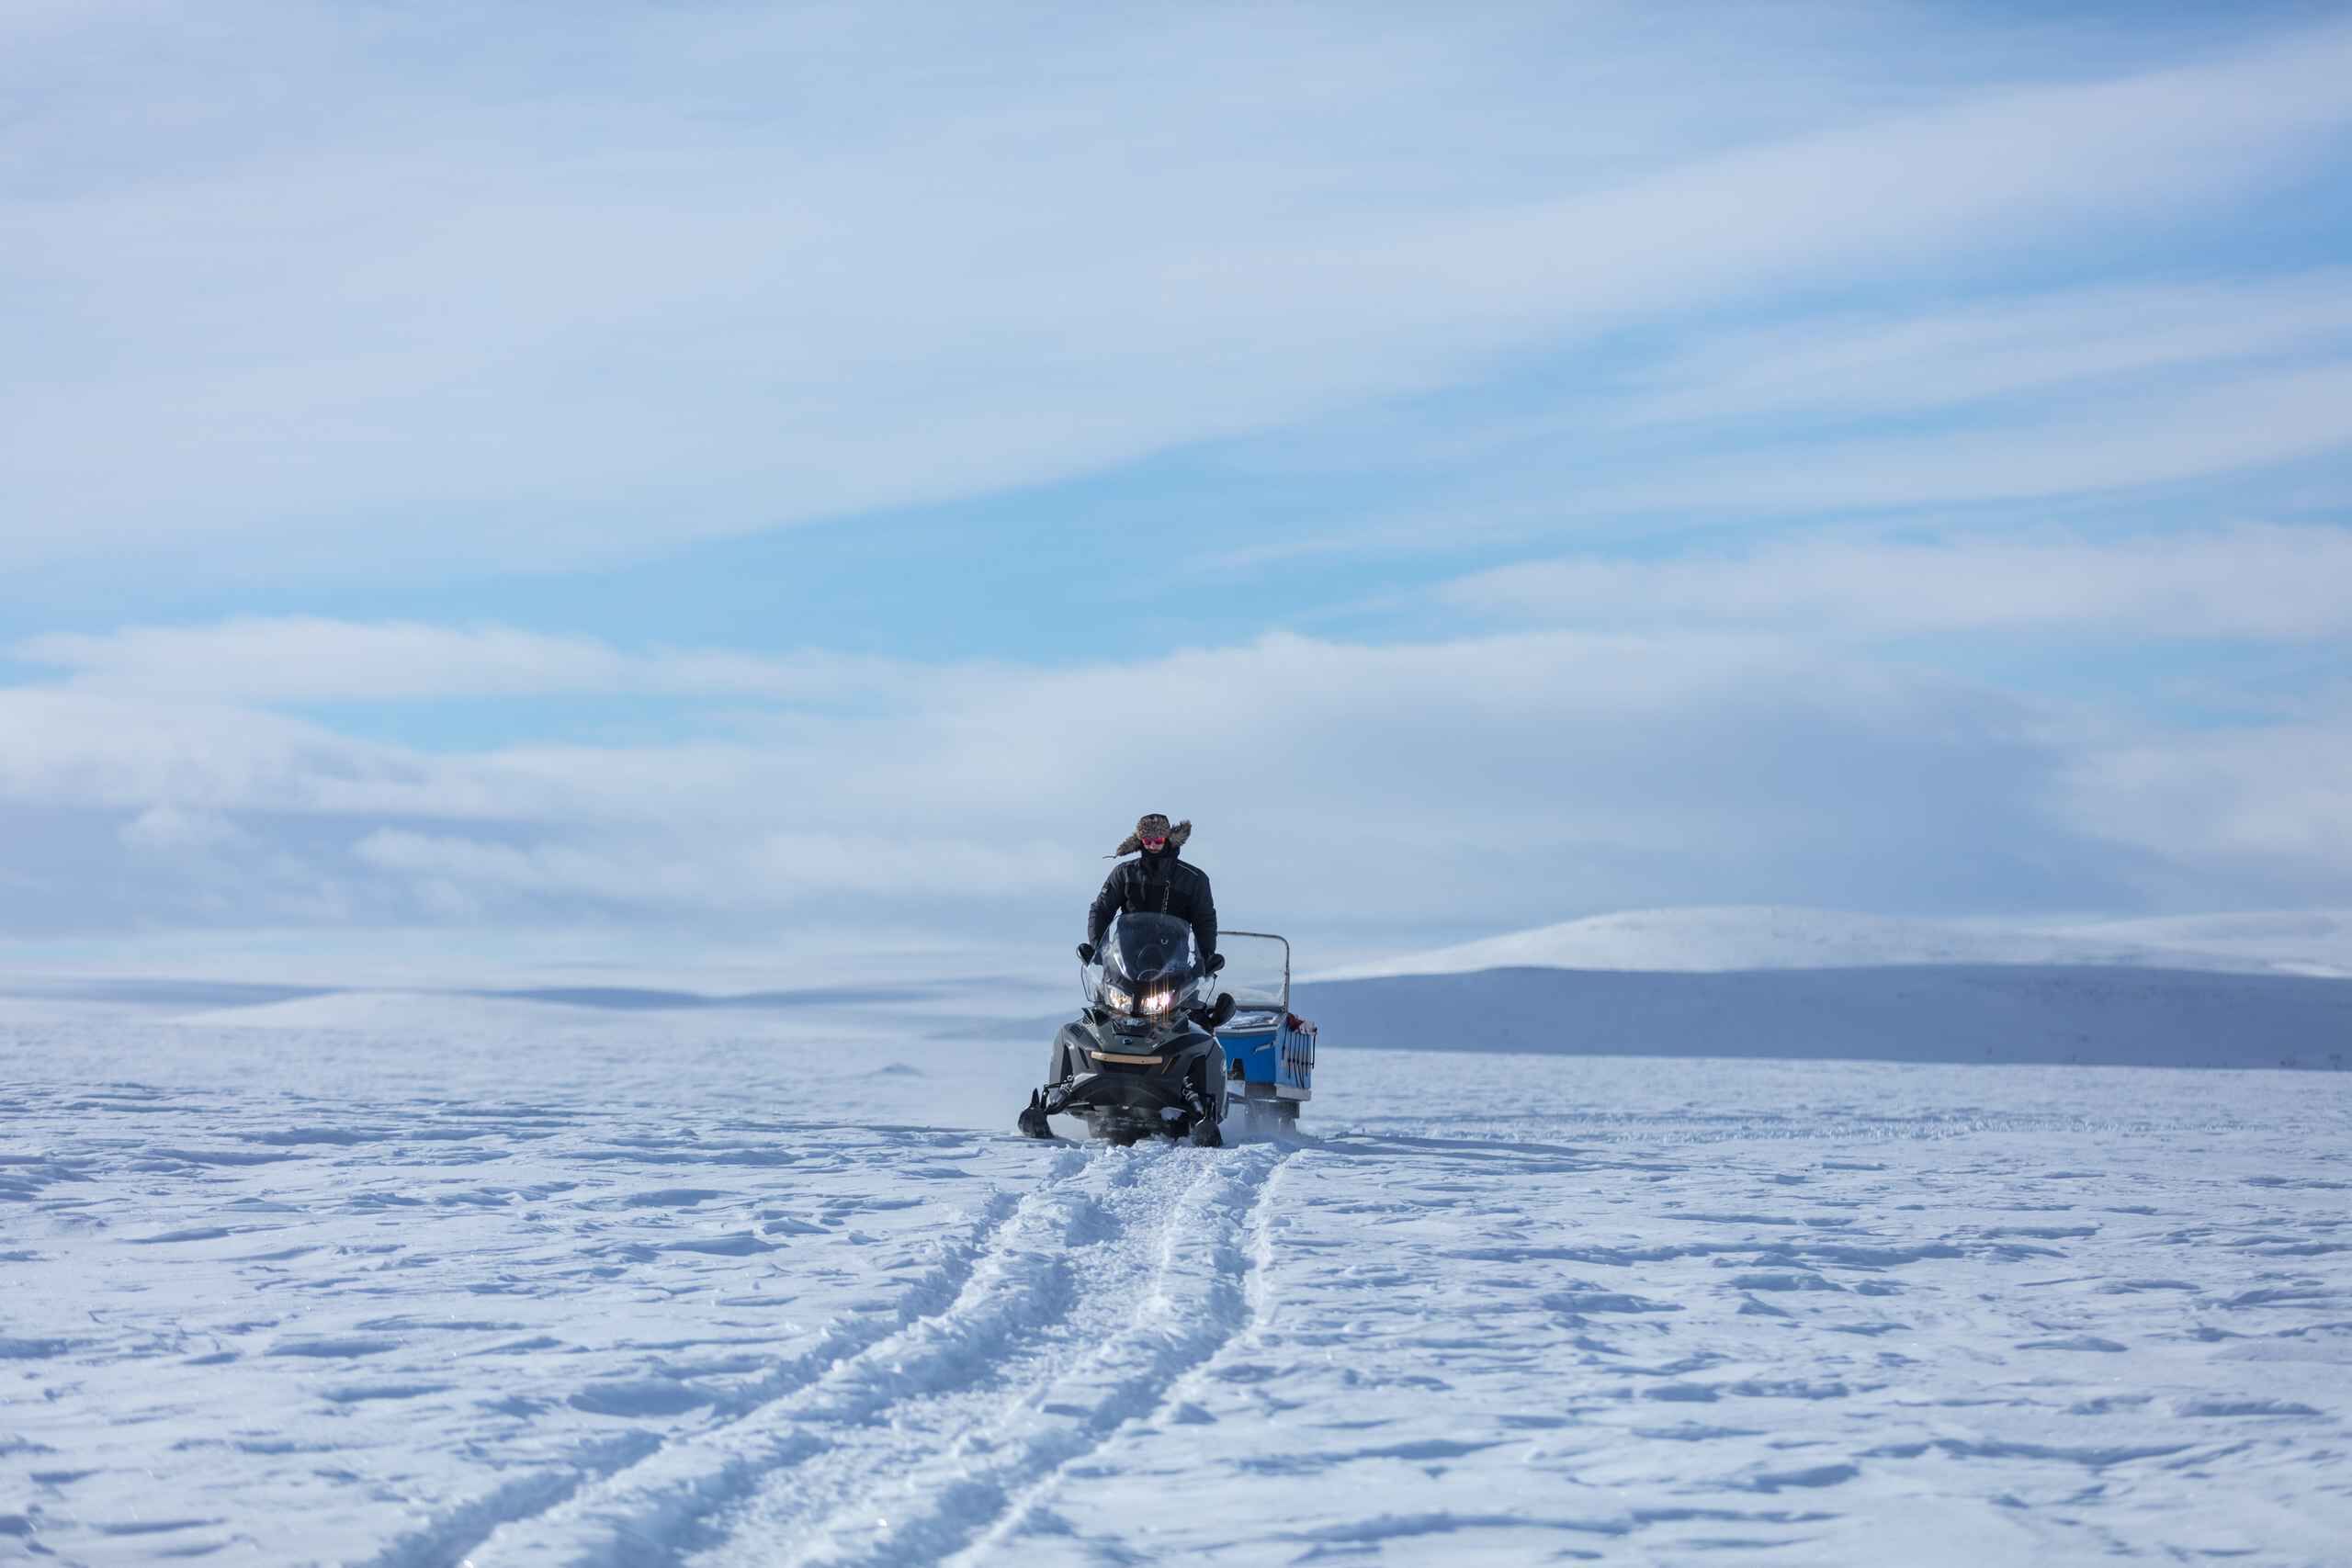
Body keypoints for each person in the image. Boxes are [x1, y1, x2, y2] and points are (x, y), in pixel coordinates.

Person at [1080, 813, 1217, 975]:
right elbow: (1101, 910)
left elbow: (1204, 920)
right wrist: (1099, 950)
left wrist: (1206, 958)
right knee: (1103, 997)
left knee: (1194, 998)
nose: (1152, 846)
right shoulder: (1124, 873)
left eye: (1158, 841)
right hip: (1125, 966)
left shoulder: (1193, 879)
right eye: (1147, 841)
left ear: (1168, 839)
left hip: (1173, 968)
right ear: (1140, 842)